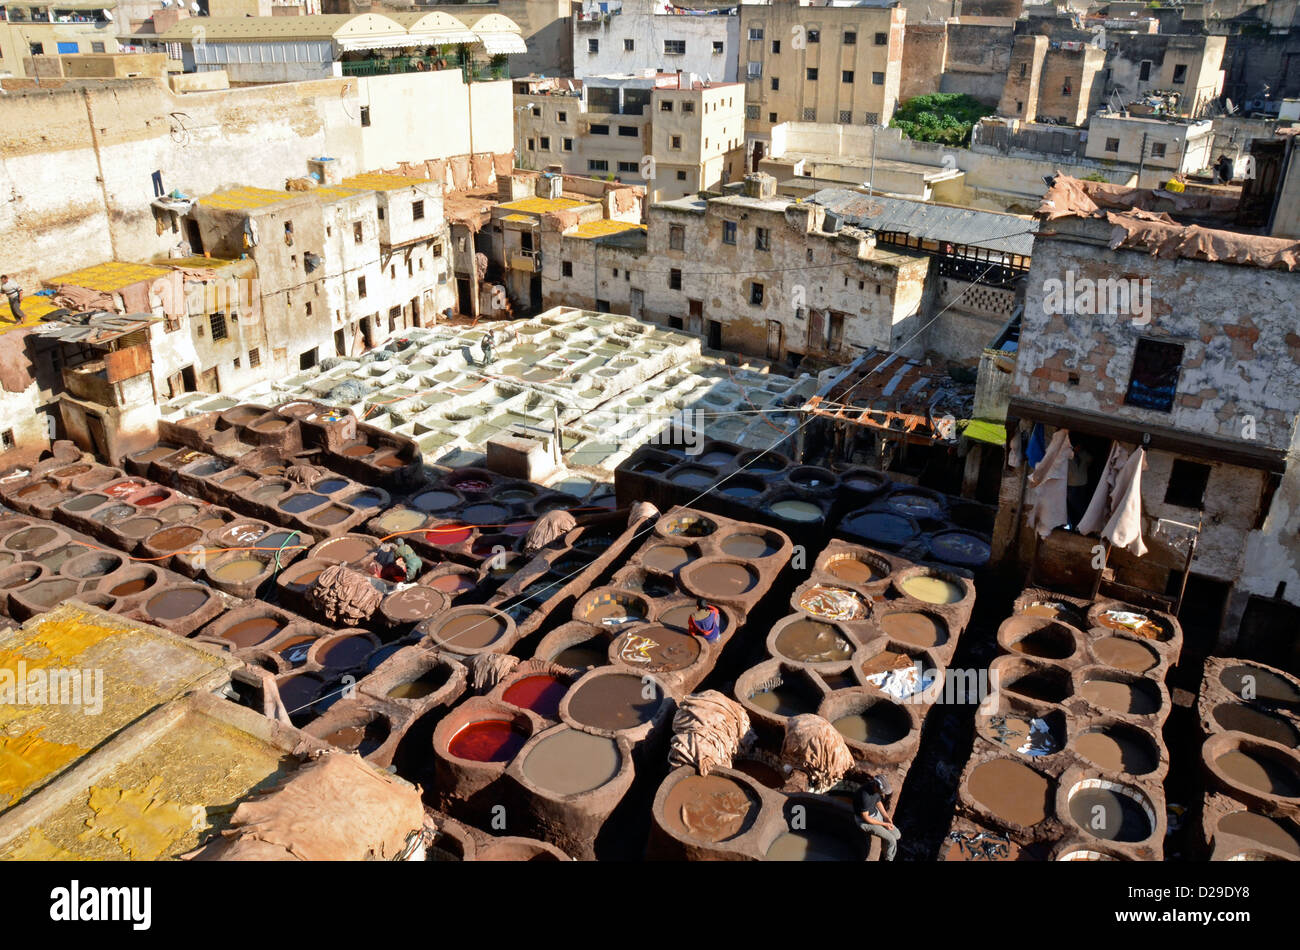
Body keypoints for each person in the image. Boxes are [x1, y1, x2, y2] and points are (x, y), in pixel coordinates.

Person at [856, 775, 901, 861]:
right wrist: (884, 824)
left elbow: (878, 802)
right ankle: (888, 858)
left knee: (897, 835)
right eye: (882, 791)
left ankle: (884, 849)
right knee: (892, 840)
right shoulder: (864, 796)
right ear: (876, 786)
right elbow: (866, 818)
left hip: (875, 815)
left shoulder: (874, 789)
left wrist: (886, 817)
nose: (882, 793)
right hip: (865, 822)